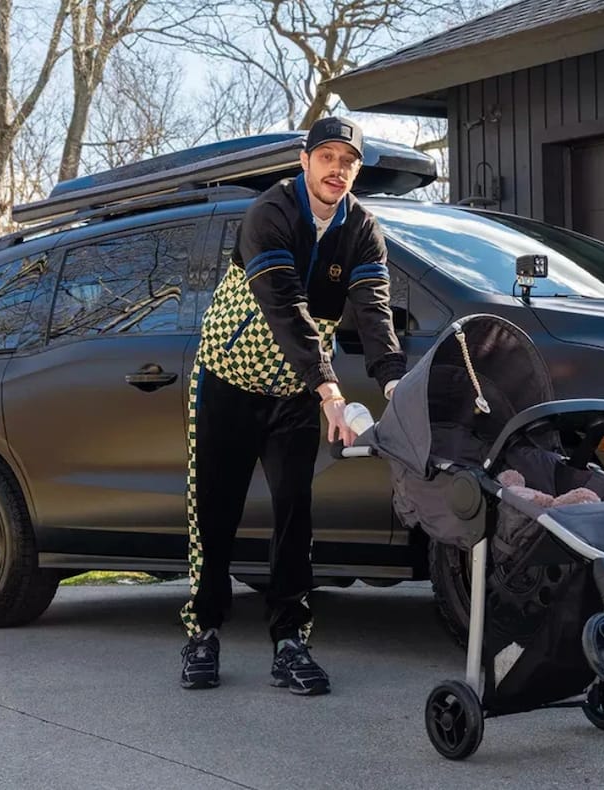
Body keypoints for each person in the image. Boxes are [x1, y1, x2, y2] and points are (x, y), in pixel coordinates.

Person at [178, 117, 407, 695]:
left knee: (294, 514)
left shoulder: (363, 231)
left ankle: (290, 642)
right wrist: (330, 387)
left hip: (295, 393)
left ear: (357, 169)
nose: (337, 169)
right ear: (304, 161)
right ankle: (203, 633)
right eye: (326, 156)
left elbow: (374, 312)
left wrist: (394, 384)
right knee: (215, 515)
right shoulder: (270, 213)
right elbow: (283, 306)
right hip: (229, 382)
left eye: (348, 161)